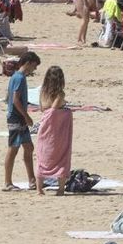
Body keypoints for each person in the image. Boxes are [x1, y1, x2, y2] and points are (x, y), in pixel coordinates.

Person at [3, 52, 40, 191]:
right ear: (29, 62)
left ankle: (32, 180)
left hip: (18, 117)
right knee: (13, 149)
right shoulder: (19, 78)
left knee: (29, 147)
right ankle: (7, 182)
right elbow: (15, 99)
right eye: (34, 66)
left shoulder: (16, 77)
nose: (34, 70)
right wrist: (26, 116)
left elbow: (9, 97)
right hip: (17, 118)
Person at [34, 65, 73, 196]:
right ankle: (61, 189)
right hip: (56, 131)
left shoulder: (43, 91)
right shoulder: (60, 94)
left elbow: (43, 109)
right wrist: (66, 111)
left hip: (44, 128)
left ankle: (39, 189)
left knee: (42, 157)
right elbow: (54, 111)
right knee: (62, 156)